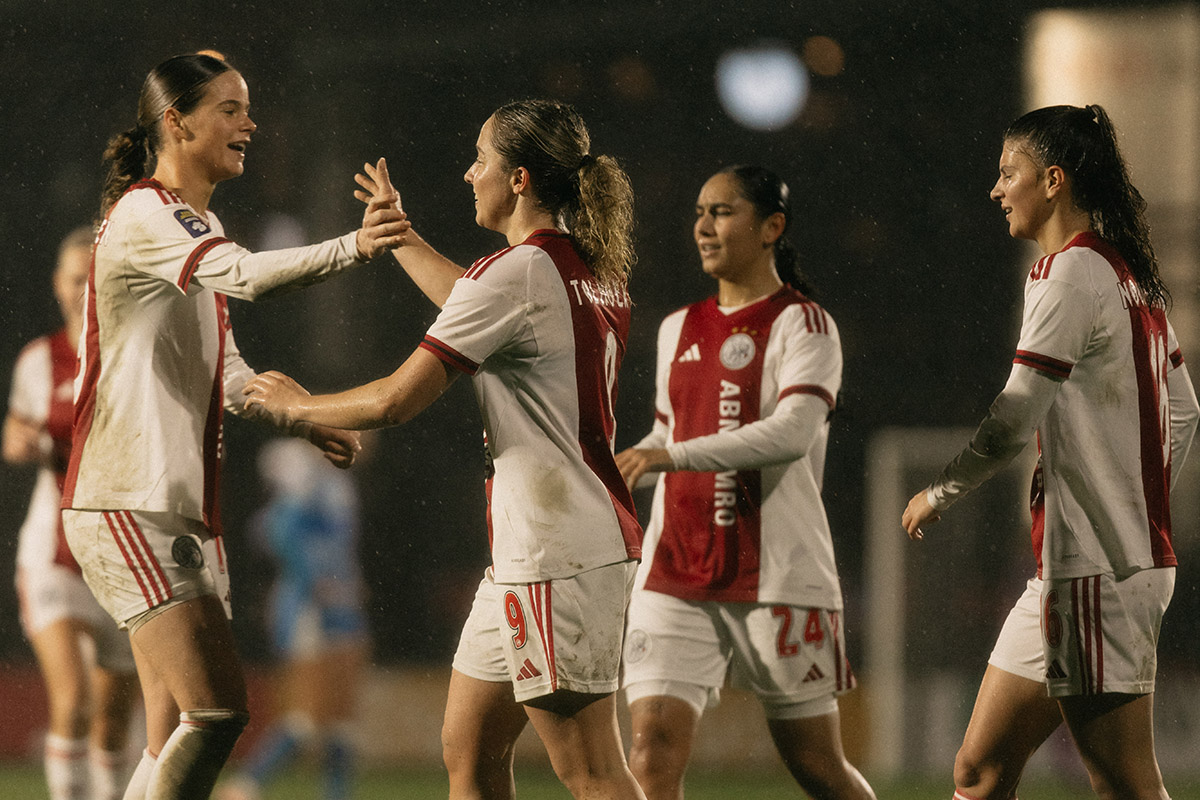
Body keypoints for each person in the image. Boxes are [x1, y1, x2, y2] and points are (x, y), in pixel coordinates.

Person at [242, 98, 647, 800]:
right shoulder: (585, 270)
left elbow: (397, 398)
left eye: (481, 160)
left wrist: (295, 407)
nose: (468, 174)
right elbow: (474, 300)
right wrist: (399, 236)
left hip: (556, 555)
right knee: (470, 750)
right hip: (546, 550)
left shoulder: (517, 273)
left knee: (591, 772)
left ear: (518, 179)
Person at [60, 51, 407, 800]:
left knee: (174, 730)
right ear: (177, 122)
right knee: (216, 711)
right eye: (230, 108)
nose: (249, 122)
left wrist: (302, 415)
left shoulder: (196, 222)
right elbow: (247, 275)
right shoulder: (147, 213)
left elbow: (229, 369)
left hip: (175, 503)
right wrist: (357, 244)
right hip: (126, 499)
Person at [902, 104, 1200, 800]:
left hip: (1098, 571)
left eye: (1010, 173)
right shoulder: (1130, 277)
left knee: (1125, 784)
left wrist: (940, 491)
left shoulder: (1067, 275)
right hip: (1084, 571)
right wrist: (1135, 502)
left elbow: (1013, 417)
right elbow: (1183, 412)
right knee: (979, 771)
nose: (996, 189)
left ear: (1054, 180)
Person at [614, 165, 876, 800]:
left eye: (723, 212)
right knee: (650, 754)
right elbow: (665, 432)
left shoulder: (805, 325)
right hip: (674, 567)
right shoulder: (678, 326)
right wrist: (621, 465)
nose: (704, 226)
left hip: (777, 574)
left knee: (815, 765)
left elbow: (790, 434)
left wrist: (670, 457)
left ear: (771, 228)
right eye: (700, 212)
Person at [4, 227, 141, 800]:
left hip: (123, 559)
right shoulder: (41, 359)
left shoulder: (134, 356)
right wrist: (18, 438)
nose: (84, 288)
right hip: (54, 557)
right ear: (58, 286)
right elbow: (19, 432)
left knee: (113, 723)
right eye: (74, 278)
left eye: (94, 277)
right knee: (74, 701)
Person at [218, 437, 371, 800]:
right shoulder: (289, 509)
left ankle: (336, 794)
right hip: (309, 609)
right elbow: (280, 537)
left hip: (344, 607)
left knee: (341, 719)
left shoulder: (337, 487)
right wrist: (317, 582)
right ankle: (247, 783)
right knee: (307, 717)